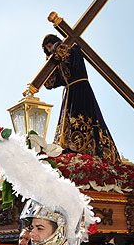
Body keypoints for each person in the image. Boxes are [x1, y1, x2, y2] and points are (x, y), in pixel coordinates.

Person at [42, 34, 120, 162]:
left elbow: (70, 56)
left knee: (81, 119)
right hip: (69, 94)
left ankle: (83, 150)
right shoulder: (58, 62)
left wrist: (56, 48)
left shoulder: (73, 49)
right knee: (67, 125)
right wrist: (48, 64)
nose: (50, 50)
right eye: (47, 49)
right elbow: (50, 83)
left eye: (50, 46)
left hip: (81, 90)